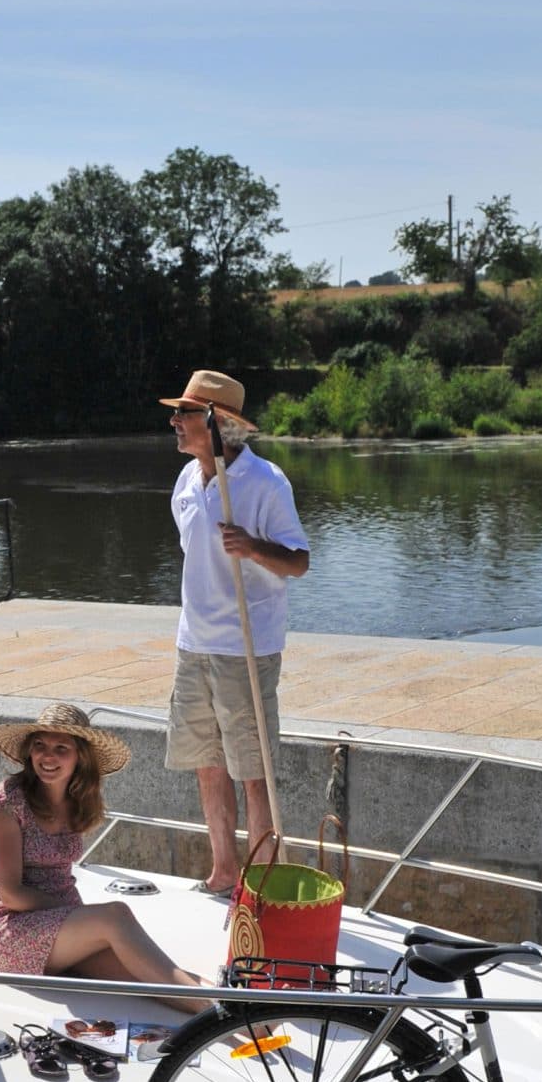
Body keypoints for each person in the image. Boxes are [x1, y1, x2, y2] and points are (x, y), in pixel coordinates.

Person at [159, 371, 311, 897]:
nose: (174, 421)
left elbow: (298, 562)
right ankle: (224, 872)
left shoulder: (266, 481)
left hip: (245, 647)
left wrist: (251, 547)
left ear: (217, 424)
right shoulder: (185, 482)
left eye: (185, 413)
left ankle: (262, 881)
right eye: (176, 412)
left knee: (253, 769)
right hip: (193, 643)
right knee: (206, 763)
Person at [0, 703, 211, 1013]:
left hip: (61, 927)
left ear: (79, 758)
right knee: (116, 916)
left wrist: (79, 920)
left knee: (151, 976)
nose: (47, 756)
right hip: (12, 932)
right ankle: (219, 1016)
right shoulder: (7, 801)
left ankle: (237, 1014)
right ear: (28, 752)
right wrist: (81, 916)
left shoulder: (77, 798)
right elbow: (11, 895)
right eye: (40, 745)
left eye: (61, 748)